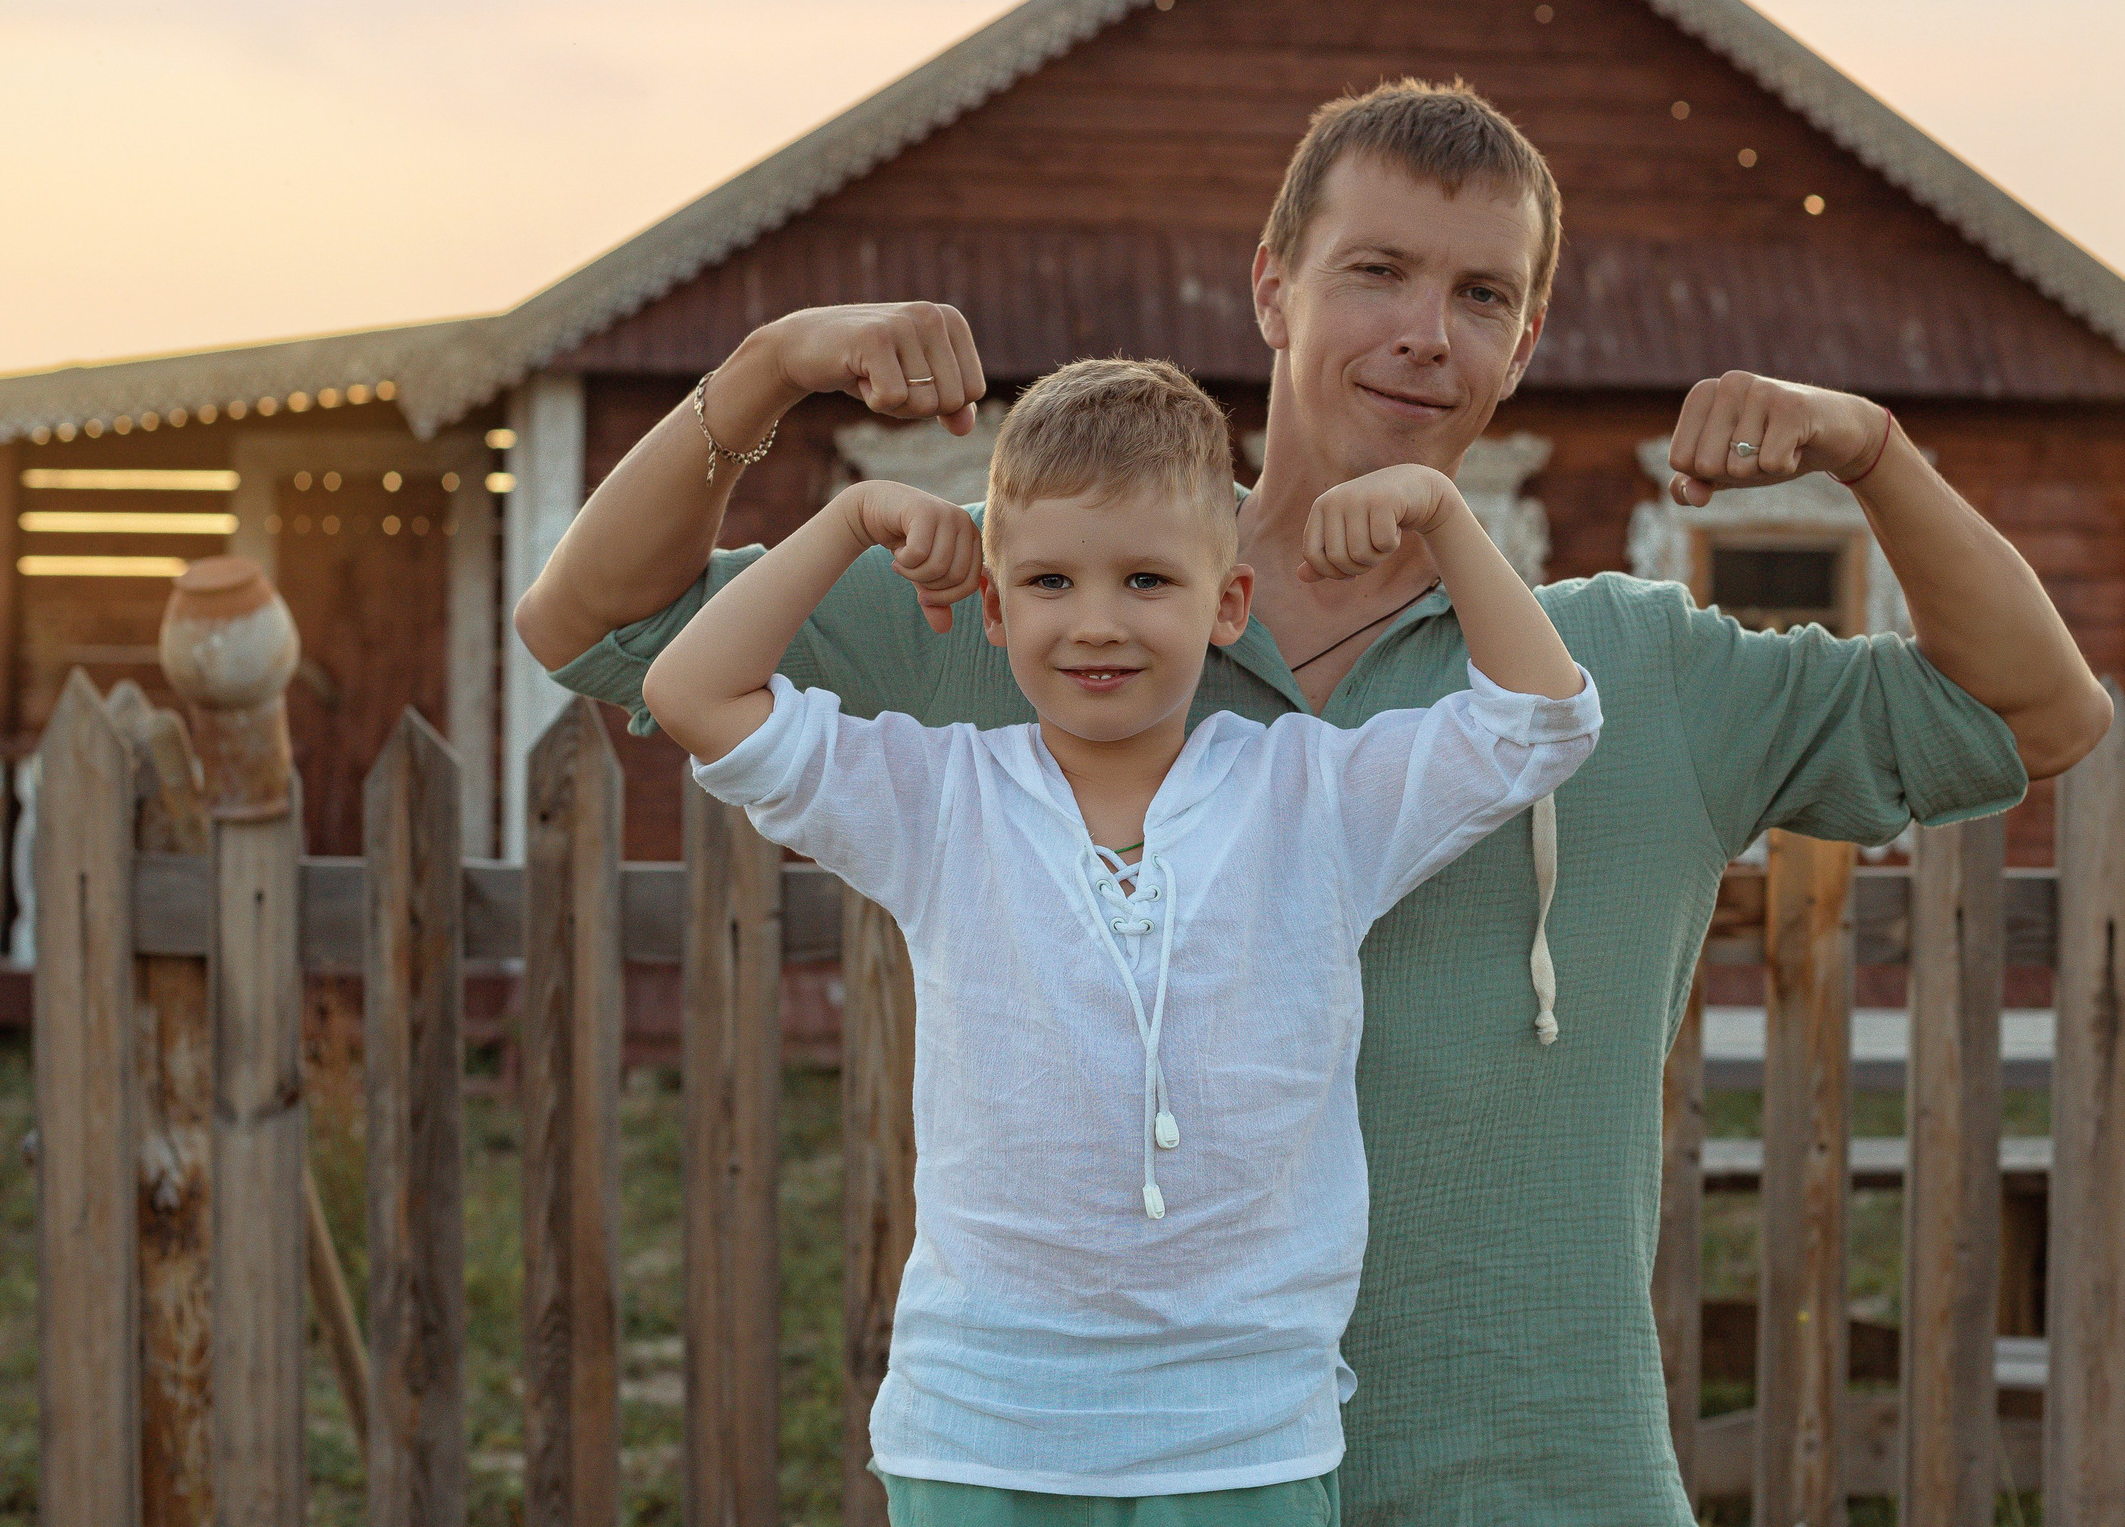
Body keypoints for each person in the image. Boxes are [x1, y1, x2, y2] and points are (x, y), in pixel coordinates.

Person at [516, 79, 2114, 1524]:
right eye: (1379, 271)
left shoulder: (1636, 664)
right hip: (1128, 1469)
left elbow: (2032, 714)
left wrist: (1879, 454)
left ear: (1524, 344)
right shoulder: (1050, 604)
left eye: (1483, 294)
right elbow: (592, 627)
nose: (1429, 330)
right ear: (1273, 285)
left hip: (1539, 1473)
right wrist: (775, 367)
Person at [645, 359, 1602, 1522]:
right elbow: (693, 692)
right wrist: (850, 519)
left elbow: (1542, 726)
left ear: (1228, 604)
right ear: (995, 614)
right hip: (983, 1429)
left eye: (1148, 578)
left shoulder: (1316, 799)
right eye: (1048, 580)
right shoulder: (938, 800)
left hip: (1244, 1435)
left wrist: (1444, 518)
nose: (1096, 622)